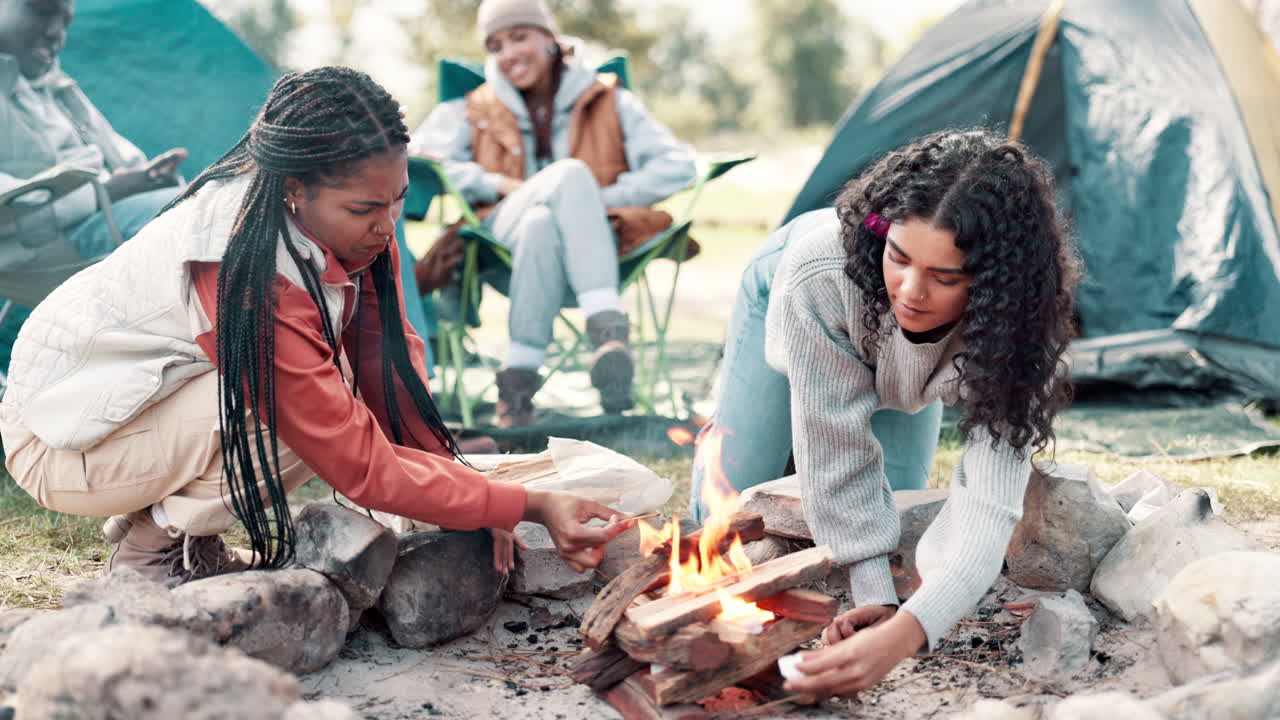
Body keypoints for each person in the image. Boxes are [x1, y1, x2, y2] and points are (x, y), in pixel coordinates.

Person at [0, 66, 631, 588]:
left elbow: (392, 373)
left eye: (399, 199)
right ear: (297, 191)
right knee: (293, 413)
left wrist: (470, 493)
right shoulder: (243, 268)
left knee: (331, 386)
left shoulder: (345, 221)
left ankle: (176, 526)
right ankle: (151, 553)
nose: (388, 225)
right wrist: (529, 504)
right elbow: (357, 463)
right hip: (59, 439)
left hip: (134, 406)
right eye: (367, 208)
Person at [691, 129, 1080, 696]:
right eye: (899, 257)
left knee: (893, 514)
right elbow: (836, 446)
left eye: (944, 276)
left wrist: (900, 621)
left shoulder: (1020, 327)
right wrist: (875, 592)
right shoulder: (821, 272)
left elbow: (989, 503)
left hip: (911, 360)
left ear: (997, 284)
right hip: (806, 291)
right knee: (733, 502)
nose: (912, 291)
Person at [413, 0, 697, 427]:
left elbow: (679, 165)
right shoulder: (472, 106)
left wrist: (591, 198)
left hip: (593, 249)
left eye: (520, 37)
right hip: (497, 242)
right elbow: (418, 154)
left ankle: (518, 385)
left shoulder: (608, 97)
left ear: (550, 38)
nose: (508, 54)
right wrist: (495, 184)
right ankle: (608, 330)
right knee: (564, 181)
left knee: (542, 221)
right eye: (496, 45)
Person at [0, 0, 186, 262]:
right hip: (52, 246)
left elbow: (123, 156)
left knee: (222, 204)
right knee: (210, 220)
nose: (57, 35)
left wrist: (149, 177)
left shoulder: (58, 89)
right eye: (42, 12)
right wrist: (106, 194)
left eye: (65, 24)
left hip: (114, 216)